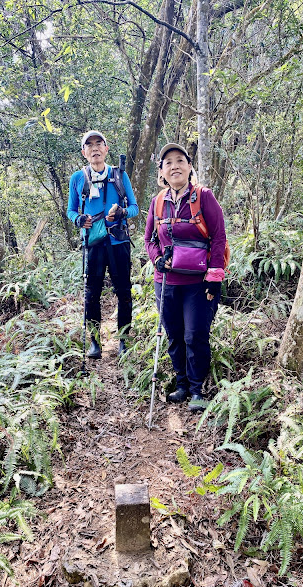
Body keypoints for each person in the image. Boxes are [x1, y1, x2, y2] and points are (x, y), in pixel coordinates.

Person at [144, 143, 227, 412]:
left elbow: (219, 237)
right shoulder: (157, 202)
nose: (175, 166)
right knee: (174, 334)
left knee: (196, 334)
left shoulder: (204, 197)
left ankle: (196, 389)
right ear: (162, 172)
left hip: (198, 283)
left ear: (190, 167)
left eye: (180, 161)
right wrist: (157, 258)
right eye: (168, 163)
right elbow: (149, 238)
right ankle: (181, 384)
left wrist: (215, 275)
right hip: (166, 281)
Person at [68, 131, 138, 358]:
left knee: (124, 293)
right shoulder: (78, 178)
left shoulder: (119, 175)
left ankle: (123, 341)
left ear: (106, 149)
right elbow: (70, 210)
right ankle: (95, 343)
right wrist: (78, 220)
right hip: (94, 243)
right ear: (84, 152)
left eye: (99, 144)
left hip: (119, 242)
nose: (95, 148)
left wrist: (122, 212)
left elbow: (135, 207)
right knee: (91, 294)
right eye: (89, 145)